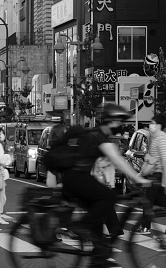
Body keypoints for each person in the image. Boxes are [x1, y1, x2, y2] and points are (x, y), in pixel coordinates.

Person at [62, 103, 151, 267]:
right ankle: (81, 226)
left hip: (76, 178)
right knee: (109, 196)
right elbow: (119, 161)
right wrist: (139, 179)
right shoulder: (99, 136)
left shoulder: (99, 135)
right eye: (119, 121)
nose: (121, 125)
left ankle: (99, 259)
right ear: (110, 121)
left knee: (98, 215)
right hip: (76, 179)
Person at [136, 113, 166, 234]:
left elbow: (164, 160)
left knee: (148, 202)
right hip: (155, 175)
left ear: (159, 125)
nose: (150, 125)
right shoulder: (156, 138)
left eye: (153, 123)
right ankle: (145, 226)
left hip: (158, 176)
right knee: (155, 202)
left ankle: (145, 227)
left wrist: (164, 183)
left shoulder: (161, 138)